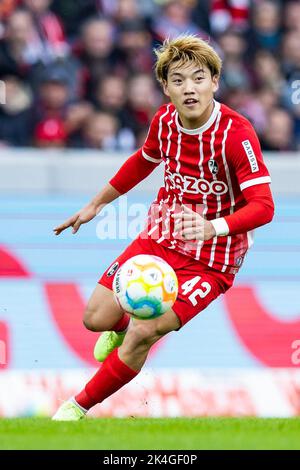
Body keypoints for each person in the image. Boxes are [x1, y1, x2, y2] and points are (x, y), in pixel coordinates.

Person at [52, 35, 274, 420]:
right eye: (179, 80)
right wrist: (95, 205)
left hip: (212, 260)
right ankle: (119, 326)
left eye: (199, 78)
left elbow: (264, 207)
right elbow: (143, 161)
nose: (190, 88)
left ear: (215, 82)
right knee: (95, 319)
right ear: (165, 87)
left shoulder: (236, 135)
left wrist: (213, 227)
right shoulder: (165, 121)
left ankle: (75, 408)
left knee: (145, 331)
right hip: (160, 237)